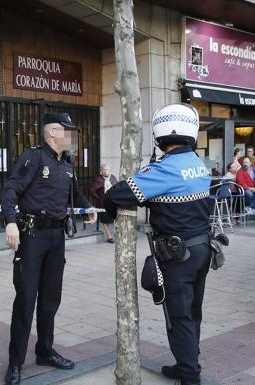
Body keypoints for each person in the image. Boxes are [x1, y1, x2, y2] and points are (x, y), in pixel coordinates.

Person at [104, 103, 212, 385]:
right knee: (193, 312)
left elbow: (118, 194)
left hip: (179, 255)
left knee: (179, 316)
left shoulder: (166, 170)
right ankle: (187, 362)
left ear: (162, 134)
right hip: (202, 250)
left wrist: (108, 209)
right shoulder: (198, 165)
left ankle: (189, 376)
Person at [1, 112, 97, 385]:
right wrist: (10, 223)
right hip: (32, 237)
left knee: (50, 301)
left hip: (57, 238)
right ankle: (16, 363)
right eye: (67, 131)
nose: (72, 136)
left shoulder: (66, 164)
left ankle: (44, 351)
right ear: (52, 132)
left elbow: (74, 194)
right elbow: (10, 190)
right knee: (26, 300)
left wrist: (87, 207)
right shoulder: (33, 157)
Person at [89, 164, 119, 243]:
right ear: (101, 171)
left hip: (113, 202)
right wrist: (99, 198)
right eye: (104, 170)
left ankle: (117, 234)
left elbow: (117, 187)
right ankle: (109, 236)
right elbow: (92, 191)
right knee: (105, 220)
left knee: (115, 218)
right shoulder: (98, 180)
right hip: (103, 203)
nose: (106, 171)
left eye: (108, 169)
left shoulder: (113, 178)